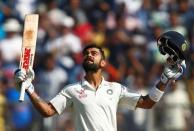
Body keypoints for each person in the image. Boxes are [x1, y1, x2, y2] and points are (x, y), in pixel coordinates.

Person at [14, 44, 185, 131]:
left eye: (94, 53)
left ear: (103, 62)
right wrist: (29, 88)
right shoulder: (71, 90)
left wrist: (164, 79)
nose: (89, 55)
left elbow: (148, 103)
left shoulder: (116, 88)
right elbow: (47, 111)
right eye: (86, 54)